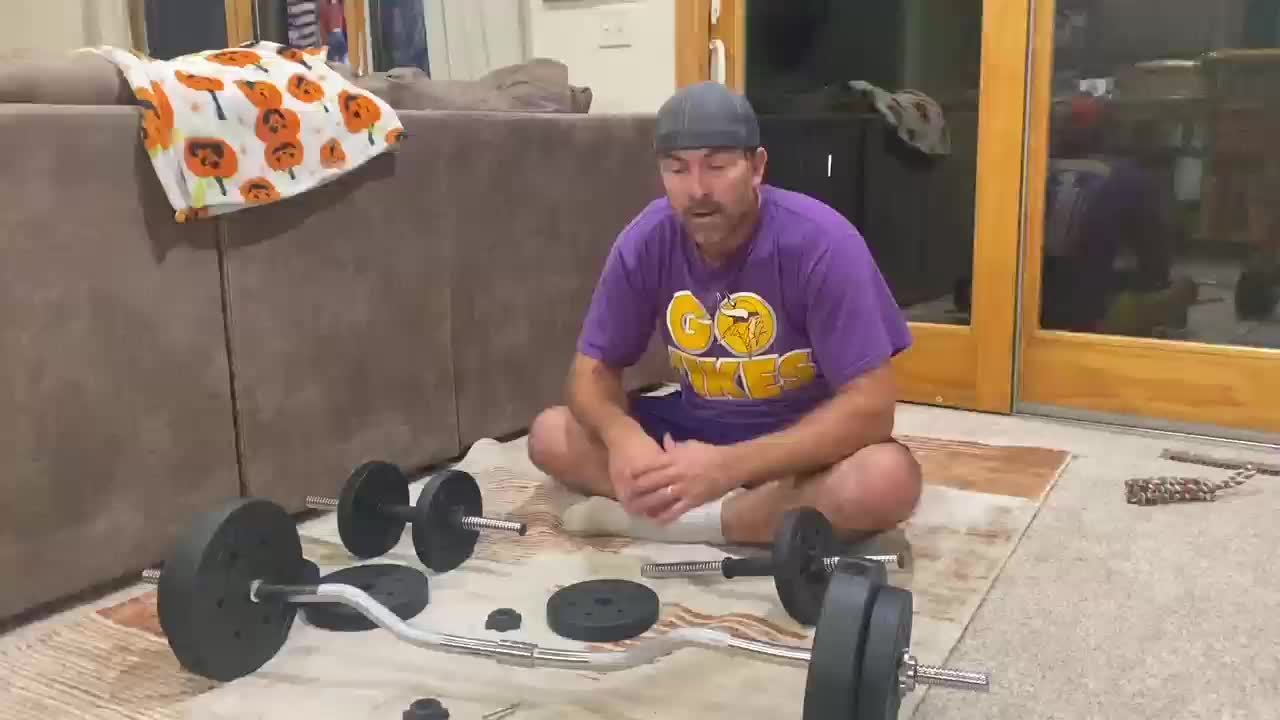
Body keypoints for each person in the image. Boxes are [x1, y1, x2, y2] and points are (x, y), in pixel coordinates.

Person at [526, 81, 922, 546]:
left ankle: (684, 522)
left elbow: (872, 408)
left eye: (716, 166)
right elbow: (589, 373)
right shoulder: (647, 239)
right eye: (677, 169)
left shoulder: (821, 242)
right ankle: (748, 518)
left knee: (888, 480)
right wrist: (623, 438)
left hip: (796, 446)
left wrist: (726, 468)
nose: (697, 190)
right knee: (550, 434)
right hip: (694, 428)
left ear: (756, 168)